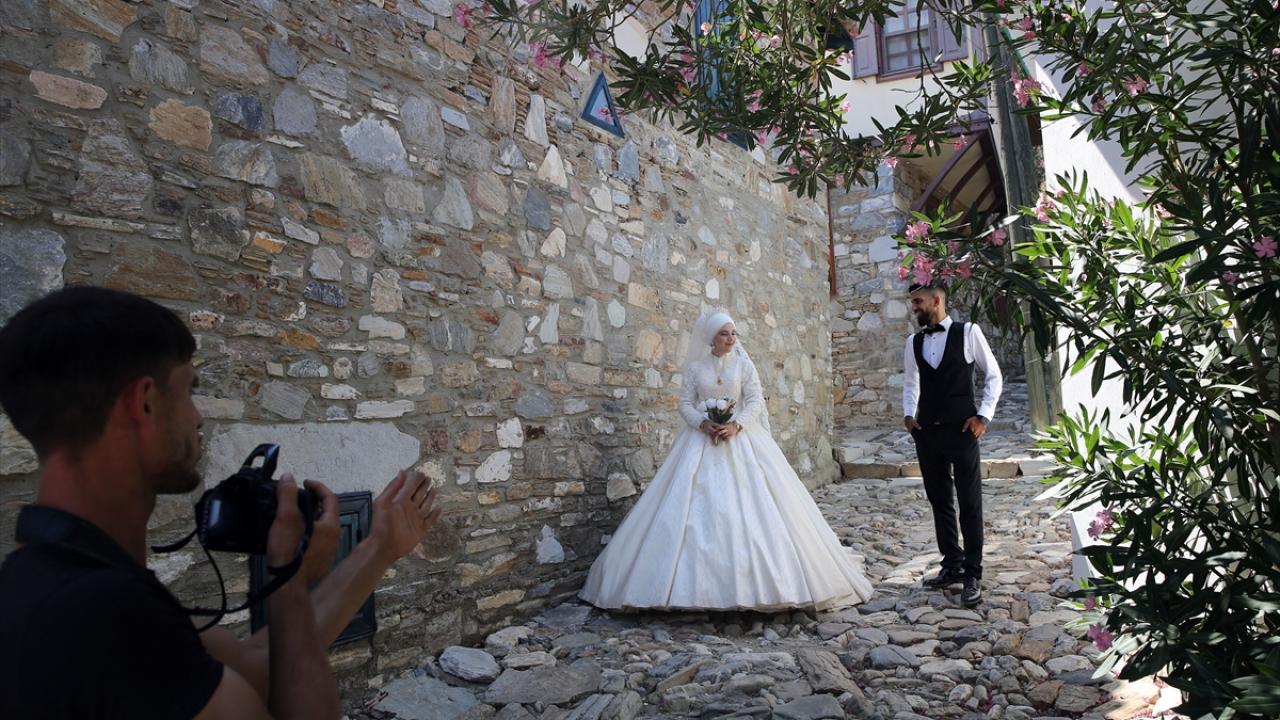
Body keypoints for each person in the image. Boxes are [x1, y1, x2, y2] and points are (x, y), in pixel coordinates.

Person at [0, 286, 442, 719]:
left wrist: (376, 550)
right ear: (144, 404)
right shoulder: (104, 615)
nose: (197, 418)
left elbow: (257, 667)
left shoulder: (45, 580)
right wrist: (288, 581)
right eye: (188, 392)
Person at [579, 309, 873, 611]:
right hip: (701, 440)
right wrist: (702, 423)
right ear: (712, 338)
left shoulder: (744, 366)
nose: (731, 339)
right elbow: (684, 403)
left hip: (740, 438)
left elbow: (755, 401)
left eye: (733, 333)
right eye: (724, 333)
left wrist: (737, 425)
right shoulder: (696, 369)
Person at [902, 282, 1003, 607]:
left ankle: (973, 573)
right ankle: (952, 564)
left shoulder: (969, 332)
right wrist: (909, 415)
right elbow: (911, 381)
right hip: (927, 432)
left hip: (963, 431)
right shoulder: (913, 342)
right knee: (940, 501)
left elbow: (994, 375)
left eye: (918, 301)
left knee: (970, 503)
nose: (913, 307)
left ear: (936, 301)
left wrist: (983, 416)